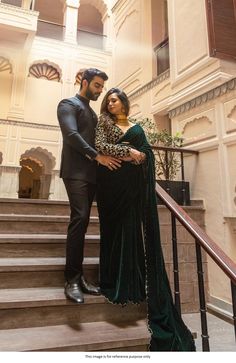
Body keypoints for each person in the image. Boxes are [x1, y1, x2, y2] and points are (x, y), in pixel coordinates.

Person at [95, 87, 196, 351]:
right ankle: (112, 283)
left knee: (131, 232)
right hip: (111, 185)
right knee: (114, 231)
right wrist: (128, 152)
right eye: (108, 101)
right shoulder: (103, 122)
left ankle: (132, 285)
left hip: (133, 186)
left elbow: (146, 154)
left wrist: (139, 155)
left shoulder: (136, 125)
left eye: (114, 100)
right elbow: (100, 146)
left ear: (124, 102)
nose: (111, 104)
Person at [57, 69, 122, 304]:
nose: (100, 90)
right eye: (96, 85)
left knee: (83, 222)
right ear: (84, 82)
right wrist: (98, 157)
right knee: (80, 217)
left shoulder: (93, 112)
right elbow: (71, 135)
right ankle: (71, 279)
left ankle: (80, 277)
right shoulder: (68, 104)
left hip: (93, 175)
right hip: (75, 172)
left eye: (102, 86)